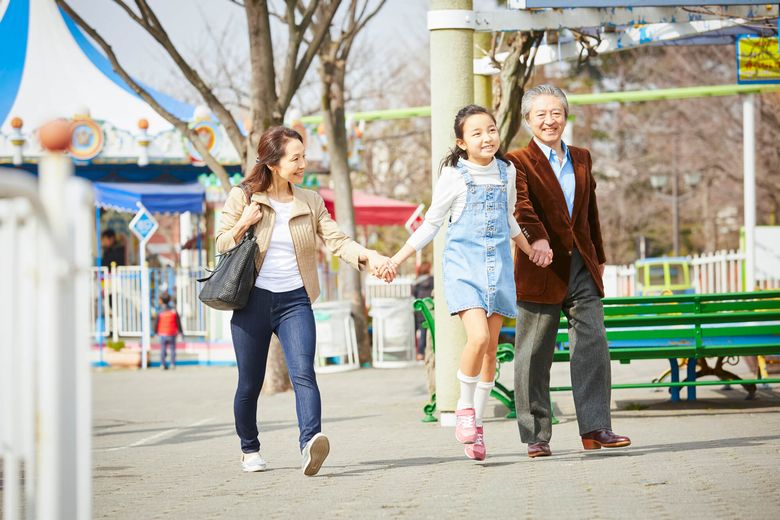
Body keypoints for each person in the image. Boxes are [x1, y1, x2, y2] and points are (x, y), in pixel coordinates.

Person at [215, 126, 393, 476]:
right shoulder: (244, 196)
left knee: (304, 373)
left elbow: (338, 240)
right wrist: (244, 223)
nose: (302, 164)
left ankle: (310, 443)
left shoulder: (310, 200)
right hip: (252, 302)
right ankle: (249, 447)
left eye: (303, 157)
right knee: (249, 383)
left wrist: (368, 256)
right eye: (295, 158)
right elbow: (221, 242)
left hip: (295, 301)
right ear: (273, 162)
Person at [381, 105, 539, 461]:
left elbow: (510, 219)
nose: (487, 137)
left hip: (498, 268)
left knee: (491, 349)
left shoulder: (508, 171)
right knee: (478, 338)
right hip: (464, 268)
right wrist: (396, 259)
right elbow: (431, 224)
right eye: (477, 133)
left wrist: (529, 250)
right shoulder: (454, 176)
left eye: (491, 130)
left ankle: (477, 425)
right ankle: (464, 409)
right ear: (462, 142)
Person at [506, 84, 631, 459]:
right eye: (541, 114)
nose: (550, 120)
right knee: (533, 354)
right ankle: (536, 435)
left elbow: (589, 212)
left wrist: (600, 256)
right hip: (540, 266)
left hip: (581, 265)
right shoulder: (517, 162)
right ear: (529, 120)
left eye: (556, 112)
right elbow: (521, 207)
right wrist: (537, 239)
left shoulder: (581, 157)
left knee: (593, 345)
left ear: (566, 115)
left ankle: (595, 428)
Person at [154, 293, 183, 370]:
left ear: (161, 300)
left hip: (162, 333)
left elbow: (156, 323)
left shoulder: (160, 311)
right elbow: (178, 322)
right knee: (172, 349)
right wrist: (180, 332)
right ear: (169, 300)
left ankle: (163, 364)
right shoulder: (173, 310)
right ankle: (172, 364)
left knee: (163, 349)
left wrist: (155, 332)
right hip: (172, 333)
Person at [411, 261, 434, 361]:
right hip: (429, 307)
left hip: (419, 308)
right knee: (428, 331)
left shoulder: (416, 281)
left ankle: (420, 353)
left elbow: (413, 293)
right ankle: (426, 352)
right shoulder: (432, 280)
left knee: (421, 331)